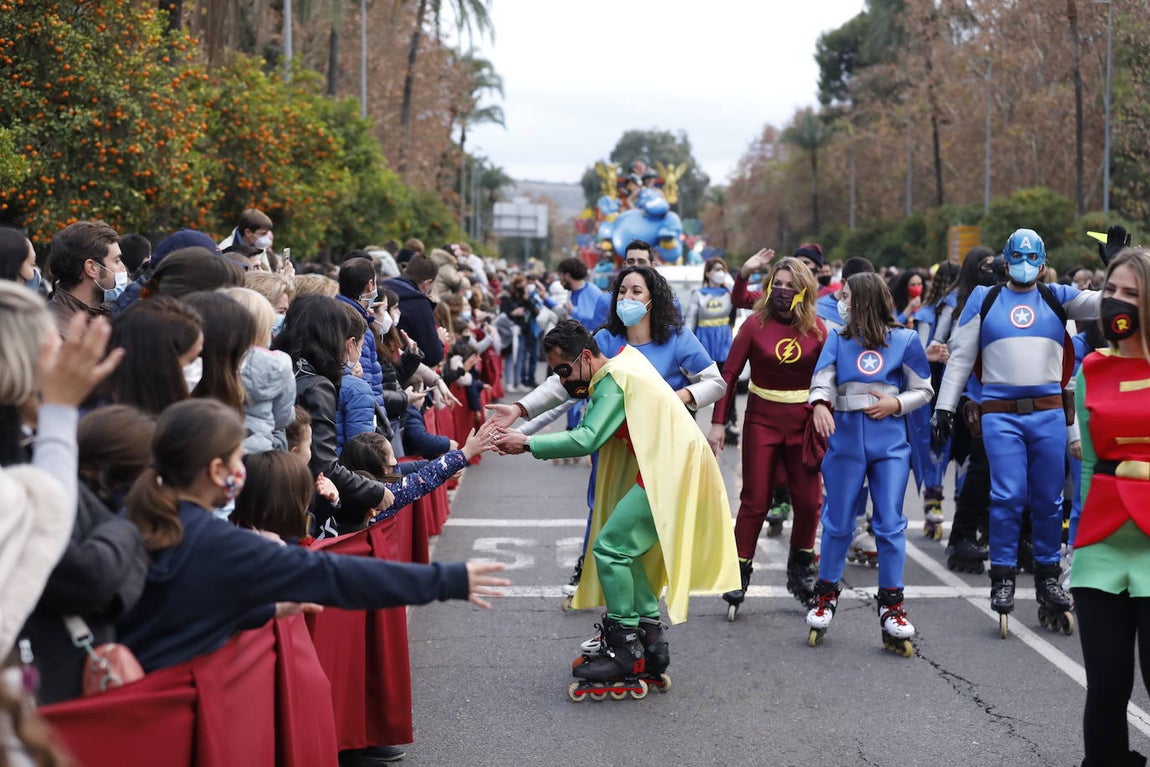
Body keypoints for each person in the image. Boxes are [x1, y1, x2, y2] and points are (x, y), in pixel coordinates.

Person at [115, 398, 508, 673]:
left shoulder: (128, 522)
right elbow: (333, 575)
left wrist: (264, 611)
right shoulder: (219, 542)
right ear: (218, 470)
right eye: (240, 458)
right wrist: (448, 580)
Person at [493, 320, 738, 698]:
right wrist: (521, 414)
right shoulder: (625, 361)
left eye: (564, 370)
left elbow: (587, 437)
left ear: (586, 357)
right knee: (631, 554)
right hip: (672, 468)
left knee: (610, 549)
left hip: (668, 473)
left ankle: (624, 648)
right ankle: (651, 644)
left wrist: (526, 445)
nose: (562, 379)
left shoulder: (612, 381)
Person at [931, 228, 1098, 635]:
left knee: (1047, 499)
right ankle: (1003, 576)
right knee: (1006, 495)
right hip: (999, 413)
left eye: (1032, 258)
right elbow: (960, 358)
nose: (1025, 265)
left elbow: (1111, 301)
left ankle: (1047, 578)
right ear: (1007, 260)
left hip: (1048, 413)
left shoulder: (1058, 297)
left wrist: (1120, 261)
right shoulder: (984, 299)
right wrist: (944, 408)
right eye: (1018, 257)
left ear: (1043, 261)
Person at [805, 273, 933, 655]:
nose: (840, 303)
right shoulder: (838, 340)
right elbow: (821, 380)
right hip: (844, 440)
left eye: (846, 297)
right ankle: (825, 597)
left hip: (890, 443)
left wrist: (896, 404)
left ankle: (893, 606)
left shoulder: (906, 340)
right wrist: (819, 406)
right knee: (838, 521)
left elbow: (923, 389)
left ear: (865, 300)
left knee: (890, 522)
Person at [707, 257, 826, 614]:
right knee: (755, 499)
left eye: (792, 285)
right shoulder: (753, 325)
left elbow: (830, 379)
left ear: (804, 289)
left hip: (802, 424)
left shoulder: (819, 330)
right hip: (761, 420)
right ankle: (739, 570)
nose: (784, 291)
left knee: (808, 501)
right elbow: (728, 374)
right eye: (778, 283)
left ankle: (802, 567)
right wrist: (717, 422)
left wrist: (825, 409)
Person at [1071, 247, 1150, 767]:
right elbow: (1088, 464)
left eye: (1131, 294)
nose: (1117, 302)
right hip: (1100, 548)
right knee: (1106, 684)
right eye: (1112, 291)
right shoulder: (1090, 369)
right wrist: (1073, 539)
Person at [220, 287, 296, 453]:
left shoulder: (213, 358)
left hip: (218, 447)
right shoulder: (278, 364)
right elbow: (283, 418)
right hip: (260, 450)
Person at [687, 257, 738, 443]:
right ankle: (689, 426)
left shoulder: (728, 293)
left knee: (727, 386)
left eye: (722, 269)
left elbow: (739, 302)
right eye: (716, 269)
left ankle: (730, 424)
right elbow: (690, 321)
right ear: (708, 272)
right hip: (704, 346)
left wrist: (729, 284)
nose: (719, 272)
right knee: (697, 386)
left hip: (724, 345)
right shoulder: (698, 294)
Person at [45, 219, 127, 336]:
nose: (123, 268)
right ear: (92, 268)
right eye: (117, 261)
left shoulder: (97, 317)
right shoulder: (59, 334)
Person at [385, 254, 443, 367]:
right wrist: (440, 341)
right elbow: (432, 356)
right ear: (427, 283)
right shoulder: (421, 305)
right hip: (406, 371)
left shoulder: (382, 288)